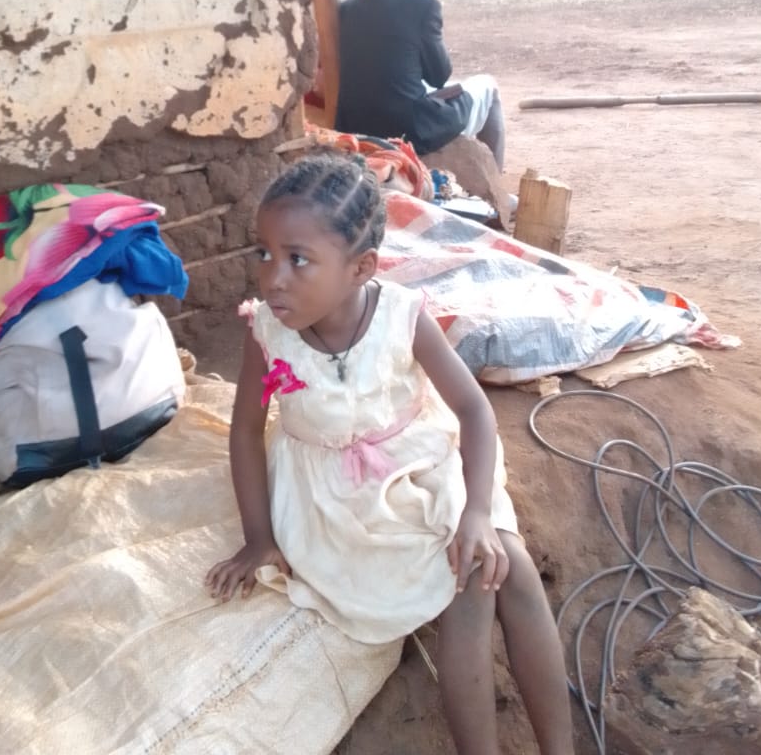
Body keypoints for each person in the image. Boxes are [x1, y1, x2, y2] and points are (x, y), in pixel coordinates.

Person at [205, 154, 574, 755]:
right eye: (264, 253)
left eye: (298, 258)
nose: (273, 278)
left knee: (509, 563)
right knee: (471, 585)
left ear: (361, 268)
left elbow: (475, 411)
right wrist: (258, 538)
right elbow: (246, 432)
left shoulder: (402, 317)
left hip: (420, 463)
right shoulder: (266, 334)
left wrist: (478, 511)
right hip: (336, 501)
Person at [336, 0, 506, 168]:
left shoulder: (346, 8)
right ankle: (496, 183)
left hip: (354, 127)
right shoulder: (423, 5)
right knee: (489, 87)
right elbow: (439, 76)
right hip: (409, 130)